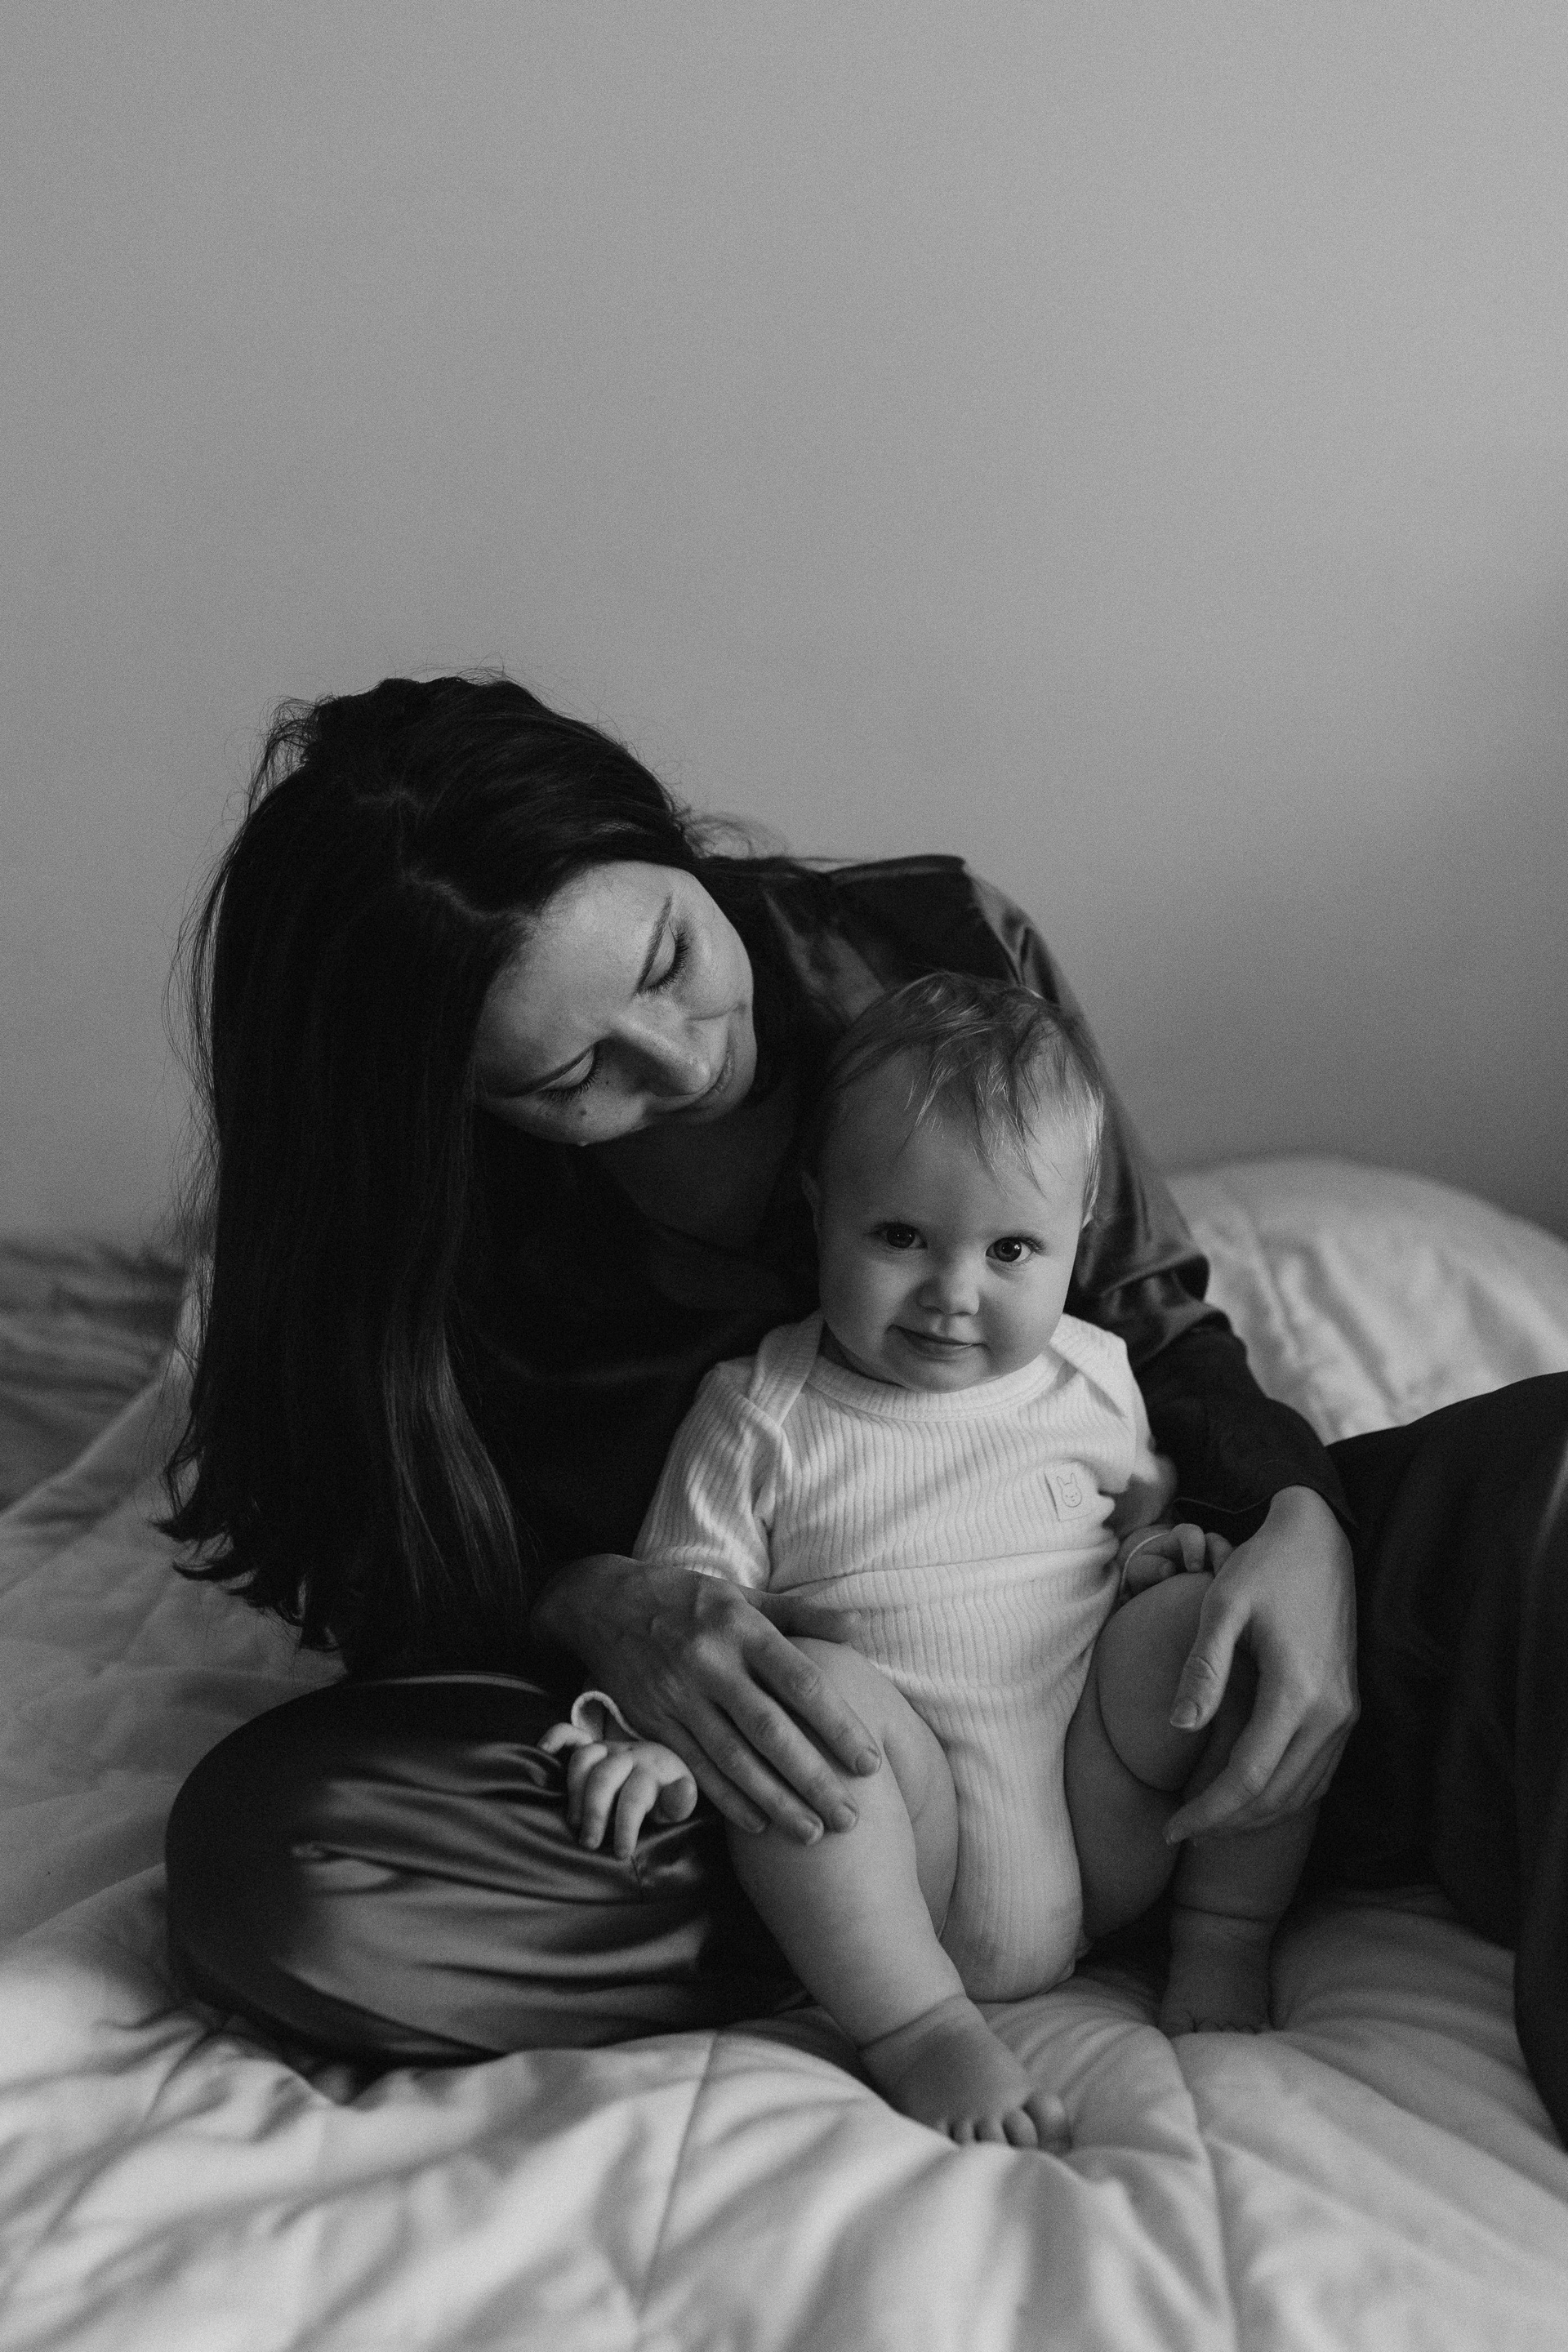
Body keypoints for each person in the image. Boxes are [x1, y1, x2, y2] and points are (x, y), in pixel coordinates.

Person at [159, 672, 1567, 2148]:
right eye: (574, 1077)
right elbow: (379, 1571)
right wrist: (593, 1607)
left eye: (669, 958)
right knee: (289, 1868)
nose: (682, 1059)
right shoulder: (418, 1226)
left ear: (669, 839)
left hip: (1112, 1689)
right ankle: (879, 1953)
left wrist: (1299, 1524)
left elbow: (1148, 1332)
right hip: (777, 1773)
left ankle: (1254, 1809)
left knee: (1548, 1483)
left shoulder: (937, 949)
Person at [541, 975, 1318, 2150]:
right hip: (908, 1847)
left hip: (1100, 1812)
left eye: (1011, 1249)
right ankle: (919, 2028)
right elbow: (697, 1630)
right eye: (900, 1236)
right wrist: (648, 1743)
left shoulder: (1095, 1375)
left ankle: (1225, 1934)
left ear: (1078, 1233)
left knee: (1227, 1634)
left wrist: (1161, 1565)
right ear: (821, 1211)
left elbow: (1124, 1525)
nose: (954, 1295)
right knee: (803, 1707)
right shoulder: (760, 1413)